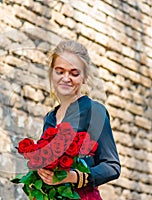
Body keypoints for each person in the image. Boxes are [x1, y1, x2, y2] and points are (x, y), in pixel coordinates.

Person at [37, 40, 121, 199]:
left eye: (74, 73)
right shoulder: (50, 118)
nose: (66, 78)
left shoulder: (94, 111)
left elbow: (112, 166)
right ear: (51, 73)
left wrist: (73, 177)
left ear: (84, 77)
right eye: (60, 71)